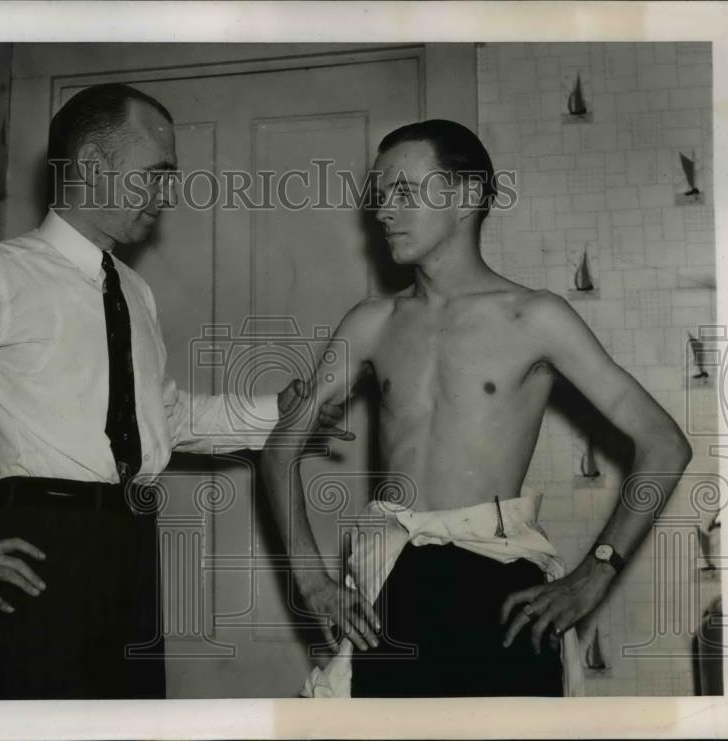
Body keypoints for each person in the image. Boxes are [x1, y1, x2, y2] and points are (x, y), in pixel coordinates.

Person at [0, 83, 349, 700]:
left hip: (132, 547)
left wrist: (280, 414)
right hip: (36, 552)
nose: (168, 194)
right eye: (155, 174)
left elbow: (166, 417)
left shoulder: (134, 291)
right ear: (90, 166)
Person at [260, 119, 693, 697]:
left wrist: (597, 574)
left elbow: (664, 442)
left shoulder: (534, 317)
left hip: (501, 583)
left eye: (405, 192)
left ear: (466, 196)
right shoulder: (372, 322)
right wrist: (310, 576)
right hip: (392, 578)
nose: (384, 211)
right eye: (380, 195)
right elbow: (280, 447)